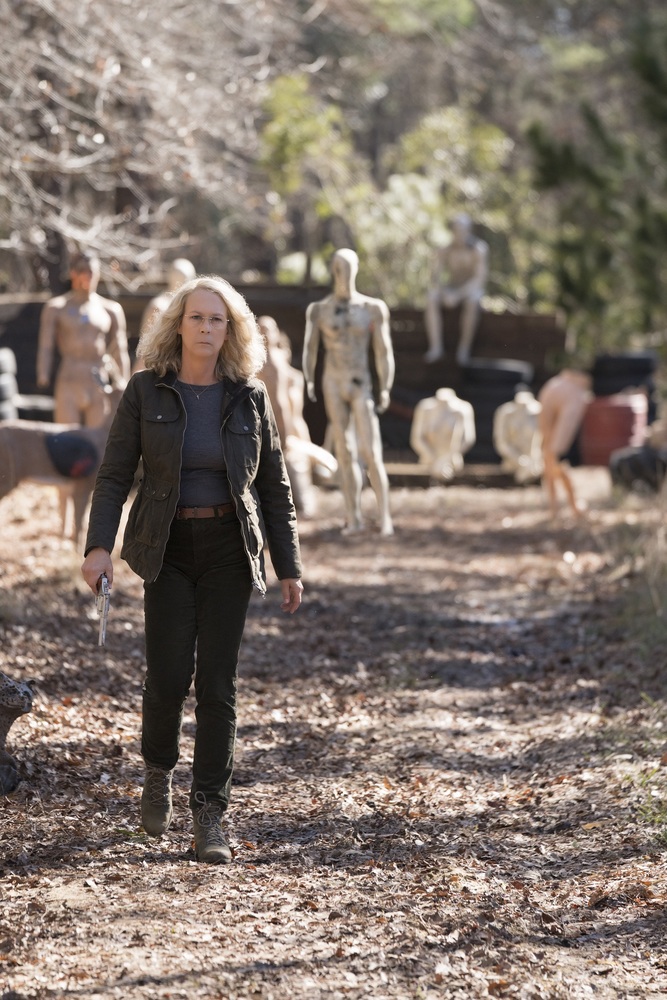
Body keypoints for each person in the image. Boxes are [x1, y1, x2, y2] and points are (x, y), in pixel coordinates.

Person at [80, 275, 303, 864]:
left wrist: (288, 565)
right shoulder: (145, 391)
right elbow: (113, 475)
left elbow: (274, 486)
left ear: (232, 331)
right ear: (178, 324)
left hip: (231, 548)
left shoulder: (250, 396)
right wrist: (98, 547)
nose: (206, 328)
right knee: (168, 677)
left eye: (217, 319)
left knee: (218, 685)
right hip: (168, 547)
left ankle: (210, 813)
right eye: (197, 317)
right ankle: (158, 772)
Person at [302, 248, 395, 535]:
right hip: (333, 380)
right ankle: (353, 517)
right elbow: (310, 349)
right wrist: (309, 380)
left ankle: (384, 516)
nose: (344, 273)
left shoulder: (372, 308)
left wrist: (385, 386)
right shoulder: (319, 310)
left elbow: (383, 352)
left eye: (349, 267)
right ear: (333, 270)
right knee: (344, 450)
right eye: (339, 267)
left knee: (371, 450)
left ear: (356, 269)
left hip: (360, 381)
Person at [36, 251, 131, 428]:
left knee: (98, 436)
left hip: (98, 379)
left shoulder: (111, 310)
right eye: (82, 271)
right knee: (66, 436)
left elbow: (120, 347)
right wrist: (43, 372)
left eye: (91, 272)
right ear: (73, 273)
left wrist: (124, 381)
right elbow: (46, 345)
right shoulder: (57, 308)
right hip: (70, 377)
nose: (87, 276)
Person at [257, 315, 336, 517]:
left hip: (291, 434)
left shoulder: (290, 374)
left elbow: (288, 409)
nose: (265, 335)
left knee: (299, 476)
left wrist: (289, 438)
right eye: (261, 331)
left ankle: (303, 509)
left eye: (268, 331)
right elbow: (278, 406)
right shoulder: (261, 365)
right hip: (272, 433)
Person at [424, 213, 488, 365]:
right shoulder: (445, 250)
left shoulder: (478, 249)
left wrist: (458, 295)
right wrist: (445, 293)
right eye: (456, 230)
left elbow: (479, 279)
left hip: (470, 291)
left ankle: (464, 349)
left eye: (462, 230)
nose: (459, 234)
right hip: (451, 288)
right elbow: (435, 278)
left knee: (473, 300)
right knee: (431, 296)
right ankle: (436, 347)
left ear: (468, 231)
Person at [537, 369, 592, 518]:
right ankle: (573, 506)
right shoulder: (577, 393)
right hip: (558, 432)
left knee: (548, 459)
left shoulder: (554, 383)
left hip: (547, 404)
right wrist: (558, 449)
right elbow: (566, 426)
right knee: (557, 461)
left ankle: (554, 508)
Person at [134, 259, 196, 374]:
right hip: (161, 366)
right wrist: (136, 377)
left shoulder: (197, 307)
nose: (179, 280)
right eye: (176, 275)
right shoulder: (158, 306)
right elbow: (145, 345)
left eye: (184, 277)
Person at [410, 387, 476, 480]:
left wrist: (446, 459)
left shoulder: (463, 409)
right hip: (429, 459)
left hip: (451, 459)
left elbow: (468, 439)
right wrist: (433, 458)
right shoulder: (425, 408)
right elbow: (417, 438)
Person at [492, 387, 543, 484]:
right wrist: (517, 459)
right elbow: (502, 442)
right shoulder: (506, 413)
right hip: (513, 462)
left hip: (535, 461)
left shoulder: (538, 412)